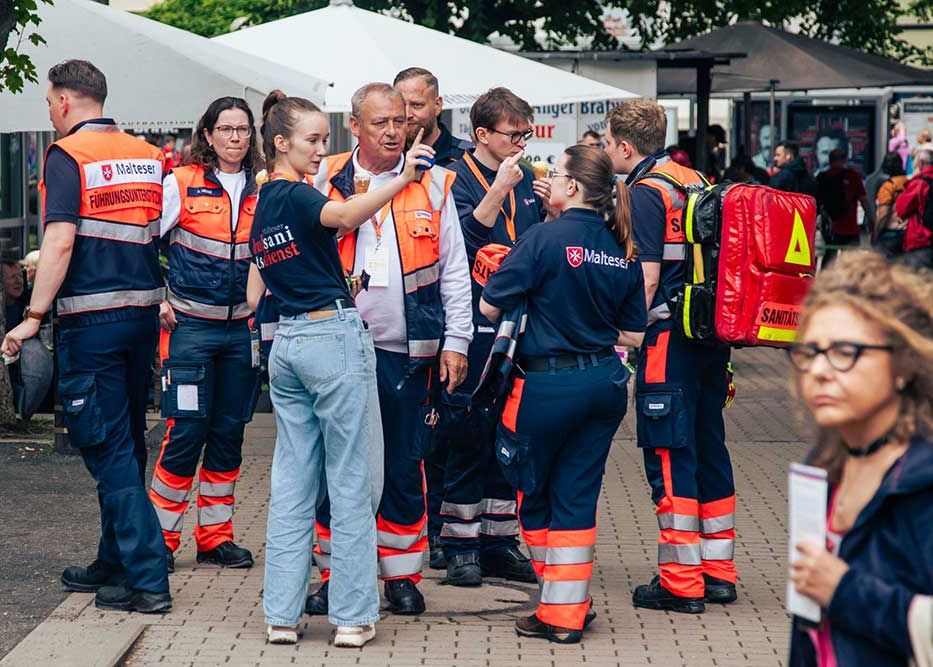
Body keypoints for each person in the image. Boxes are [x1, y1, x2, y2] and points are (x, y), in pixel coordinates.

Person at [247, 90, 435, 646]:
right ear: (280, 143)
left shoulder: (263, 203)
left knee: (292, 484)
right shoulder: (299, 194)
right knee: (353, 480)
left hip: (288, 343)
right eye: (311, 140)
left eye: (323, 139)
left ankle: (281, 616)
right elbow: (348, 214)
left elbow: (261, 285)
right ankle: (352, 617)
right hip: (331, 337)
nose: (319, 150)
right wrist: (404, 177)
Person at [2, 60, 170, 613]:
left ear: (66, 101)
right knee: (128, 441)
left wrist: (32, 315)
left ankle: (148, 578)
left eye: (49, 101)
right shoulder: (147, 155)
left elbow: (59, 241)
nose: (50, 111)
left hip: (91, 321)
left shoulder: (67, 155)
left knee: (106, 447)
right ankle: (113, 560)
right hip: (140, 317)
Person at [306, 82, 473, 616]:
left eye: (400, 121)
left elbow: (454, 269)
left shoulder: (435, 181)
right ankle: (336, 575)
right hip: (337, 345)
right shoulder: (323, 176)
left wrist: (458, 340)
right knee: (337, 465)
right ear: (354, 126)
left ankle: (401, 576)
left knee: (403, 464)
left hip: (407, 351)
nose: (394, 131)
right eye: (380, 122)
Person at [478, 144, 647, 643]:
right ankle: (567, 610)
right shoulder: (621, 247)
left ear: (572, 186)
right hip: (603, 383)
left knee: (532, 493)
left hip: (546, 386)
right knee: (576, 496)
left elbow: (489, 307)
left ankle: (559, 607)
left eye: (555, 173)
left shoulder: (542, 238)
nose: (548, 180)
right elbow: (634, 334)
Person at [605, 99, 738, 614]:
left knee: (670, 453)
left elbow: (646, 279)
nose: (606, 150)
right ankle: (718, 572)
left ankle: (681, 581)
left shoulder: (645, 193)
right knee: (709, 448)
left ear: (625, 146)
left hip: (666, 339)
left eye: (607, 142)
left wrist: (620, 336)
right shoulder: (696, 180)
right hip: (710, 337)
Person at [786, 250, 933, 667]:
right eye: (810, 352)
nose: (820, 370)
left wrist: (843, 590)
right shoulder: (824, 468)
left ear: (903, 364)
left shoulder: (922, 483)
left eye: (845, 351)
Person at [147, 97, 262, 573]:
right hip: (190, 328)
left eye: (243, 129)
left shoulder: (264, 187)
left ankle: (216, 537)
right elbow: (144, 240)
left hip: (241, 332)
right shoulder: (180, 182)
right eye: (226, 129)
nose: (235, 137)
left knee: (229, 433)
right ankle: (159, 540)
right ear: (208, 135)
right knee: (185, 432)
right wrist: (157, 295)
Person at [439, 87, 547, 587]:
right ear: (482, 134)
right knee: (467, 432)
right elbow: (461, 242)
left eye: (526, 134)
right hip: (472, 319)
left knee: (510, 432)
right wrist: (499, 189)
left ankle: (499, 540)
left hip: (516, 322)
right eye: (513, 134)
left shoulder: (524, 177)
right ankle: (460, 544)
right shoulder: (455, 176)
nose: (521, 144)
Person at [392, 67, 472, 567]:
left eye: (416, 107)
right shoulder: (377, 165)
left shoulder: (458, 163)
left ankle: (440, 534)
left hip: (440, 323)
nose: (406, 118)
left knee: (442, 435)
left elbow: (458, 260)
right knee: (407, 444)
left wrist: (457, 336)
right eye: (399, 107)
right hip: (393, 334)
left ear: (437, 106)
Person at [393, 67, 473, 165]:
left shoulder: (467, 158)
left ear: (437, 105)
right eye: (401, 105)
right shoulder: (387, 158)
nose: (407, 114)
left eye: (417, 105)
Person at [816, 148, 873, 266]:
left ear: (829, 160)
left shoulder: (822, 177)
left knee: (829, 259)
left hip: (830, 228)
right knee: (853, 262)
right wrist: (871, 218)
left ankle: (826, 277)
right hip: (850, 228)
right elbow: (863, 200)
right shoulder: (853, 176)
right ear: (844, 160)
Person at [894, 148, 933, 270]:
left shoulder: (920, 183)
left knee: (919, 279)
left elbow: (901, 209)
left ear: (921, 163)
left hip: (922, 240)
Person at [872, 153, 908, 260]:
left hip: (890, 234)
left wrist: (875, 234)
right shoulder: (910, 183)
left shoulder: (888, 187)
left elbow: (883, 214)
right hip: (907, 233)